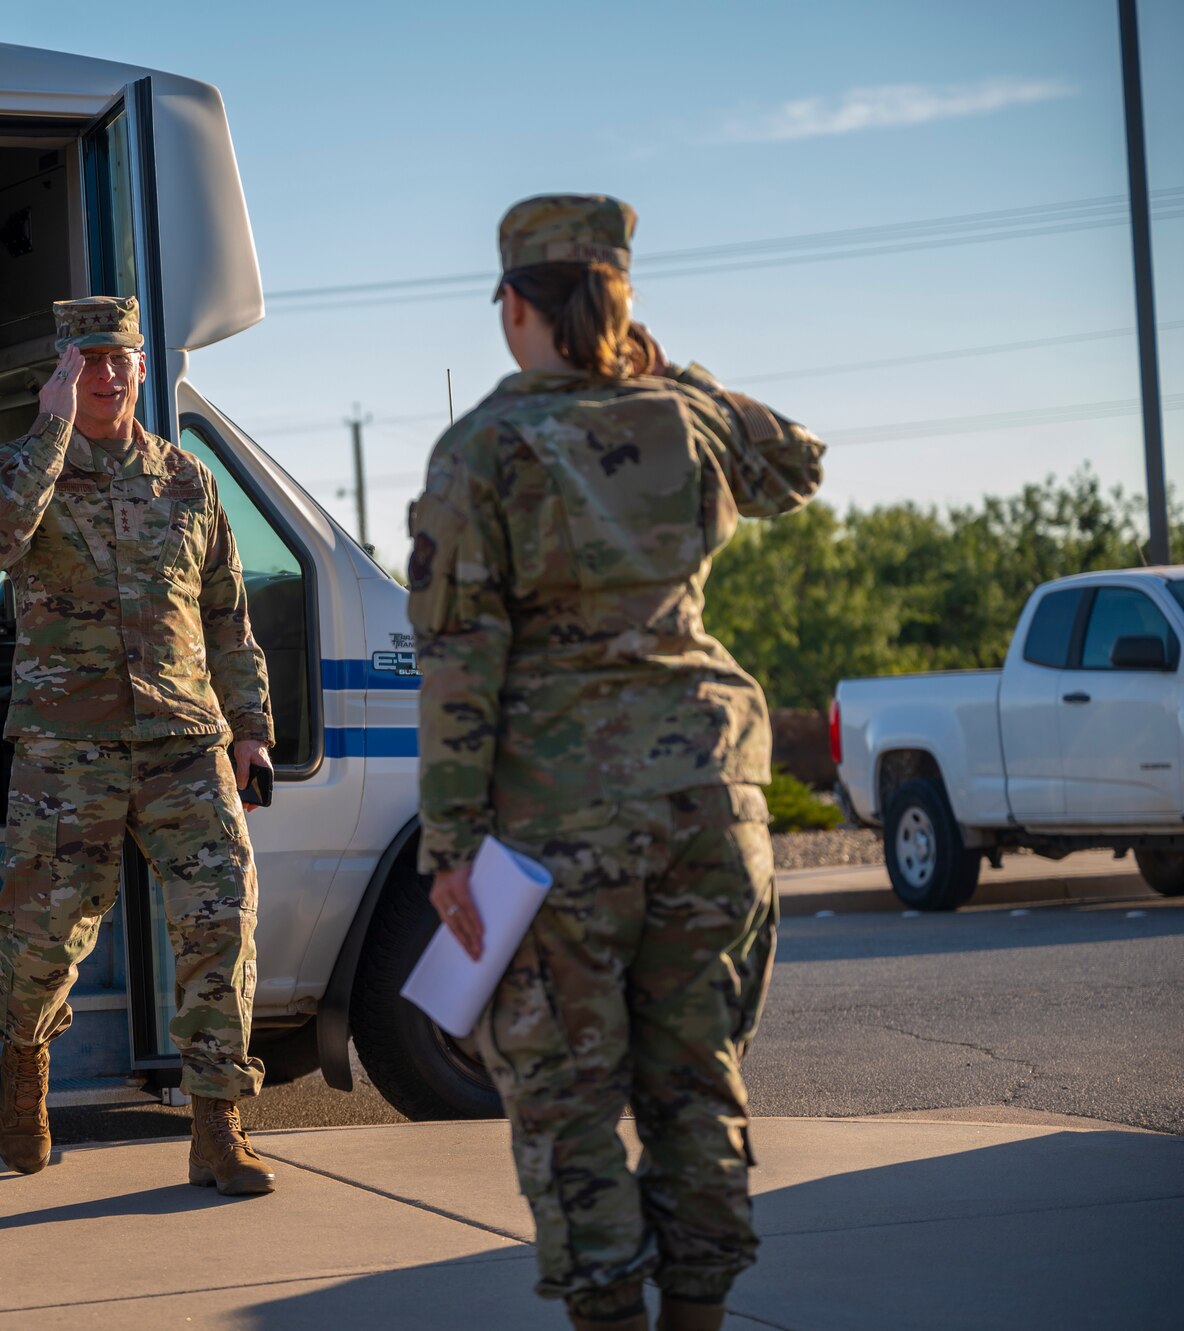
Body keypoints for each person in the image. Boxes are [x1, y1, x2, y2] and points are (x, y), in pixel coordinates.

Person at [408, 195, 824, 1331]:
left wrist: (447, 846)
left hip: (561, 824)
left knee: (565, 1098)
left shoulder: (484, 447)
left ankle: (609, 1317)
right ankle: (697, 1310)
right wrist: (669, 369)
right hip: (708, 797)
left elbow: (456, 662)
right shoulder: (686, 414)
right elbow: (796, 464)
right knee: (695, 1083)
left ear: (513, 304)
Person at [0, 296, 277, 1195]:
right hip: (69, 747)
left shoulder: (187, 481)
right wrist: (49, 433)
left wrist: (250, 730)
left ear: (143, 370)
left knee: (223, 913)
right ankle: (24, 1058)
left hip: (184, 737)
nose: (103, 373)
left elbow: (227, 618)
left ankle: (218, 1123)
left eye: (117, 358)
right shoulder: (22, 467)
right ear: (60, 373)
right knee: (45, 933)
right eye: (84, 360)